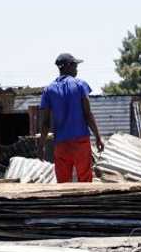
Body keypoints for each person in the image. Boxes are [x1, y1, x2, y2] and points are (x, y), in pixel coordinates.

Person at [38, 52, 104, 183]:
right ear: (68, 66)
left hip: (61, 144)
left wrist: (41, 145)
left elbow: (45, 123)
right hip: (81, 142)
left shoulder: (48, 90)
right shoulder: (80, 85)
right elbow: (88, 114)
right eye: (74, 65)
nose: (76, 69)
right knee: (85, 181)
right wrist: (97, 137)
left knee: (63, 183)